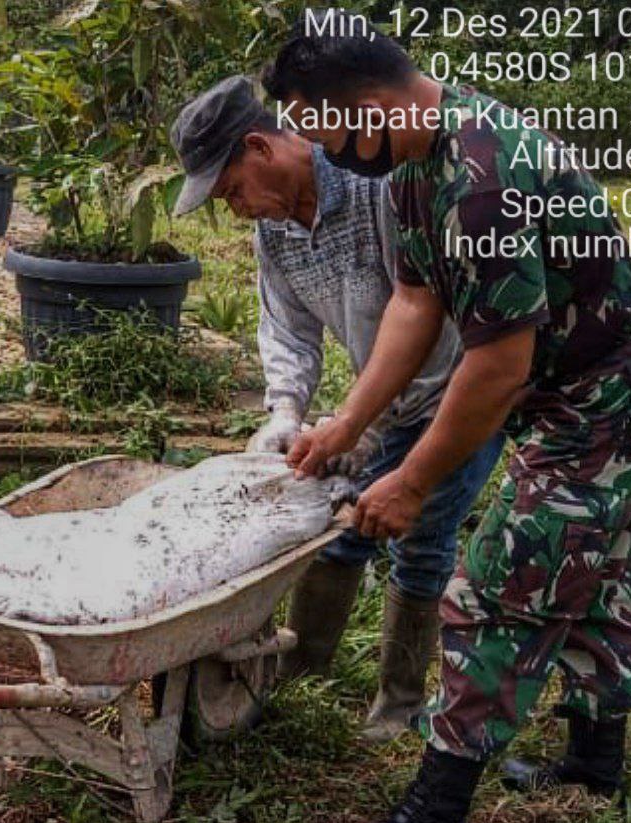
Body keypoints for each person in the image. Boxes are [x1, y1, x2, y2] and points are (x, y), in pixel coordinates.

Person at [262, 13, 631, 823]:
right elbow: (414, 303)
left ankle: (434, 813)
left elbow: (495, 368)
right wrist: (349, 423)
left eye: (326, 130)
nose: (324, 153)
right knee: (597, 566)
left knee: (500, 584)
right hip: (572, 389)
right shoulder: (414, 167)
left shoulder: (481, 178)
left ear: (374, 107)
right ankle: (593, 760)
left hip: (606, 395)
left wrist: (411, 484)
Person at [169, 76, 502, 741]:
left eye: (231, 189)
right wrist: (287, 410)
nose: (234, 208)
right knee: (334, 522)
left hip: (457, 388)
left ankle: (401, 701)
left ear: (259, 146)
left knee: (417, 530)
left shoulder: (375, 186)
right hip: (373, 403)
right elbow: (286, 329)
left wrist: (360, 426)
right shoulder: (275, 234)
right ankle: (304, 671)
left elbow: (429, 322)